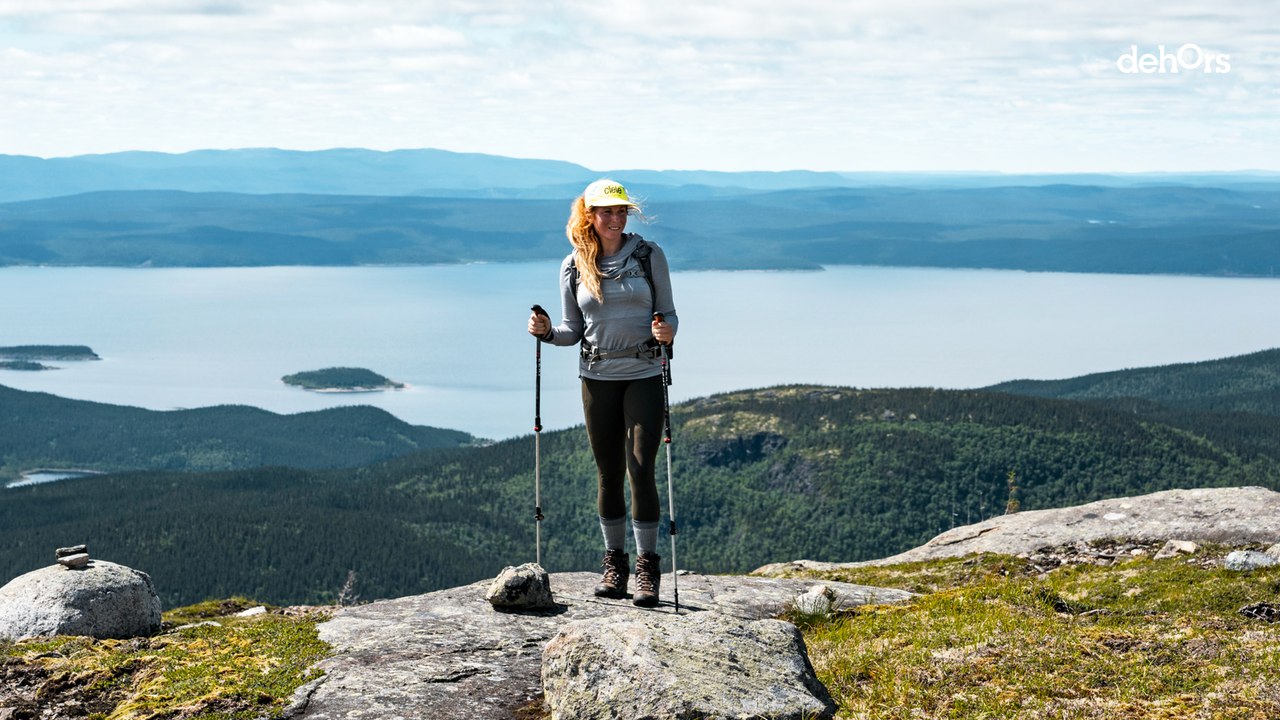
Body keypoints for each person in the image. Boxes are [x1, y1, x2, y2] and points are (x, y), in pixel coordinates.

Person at [527, 178, 677, 608]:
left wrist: (667, 331)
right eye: (606, 211)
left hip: (644, 372)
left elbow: (668, 313)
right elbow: (573, 331)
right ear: (589, 215)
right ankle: (615, 564)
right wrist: (547, 332)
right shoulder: (573, 265)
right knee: (608, 471)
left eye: (621, 211)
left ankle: (648, 566)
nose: (615, 218)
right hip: (596, 376)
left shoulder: (649, 256)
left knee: (640, 466)